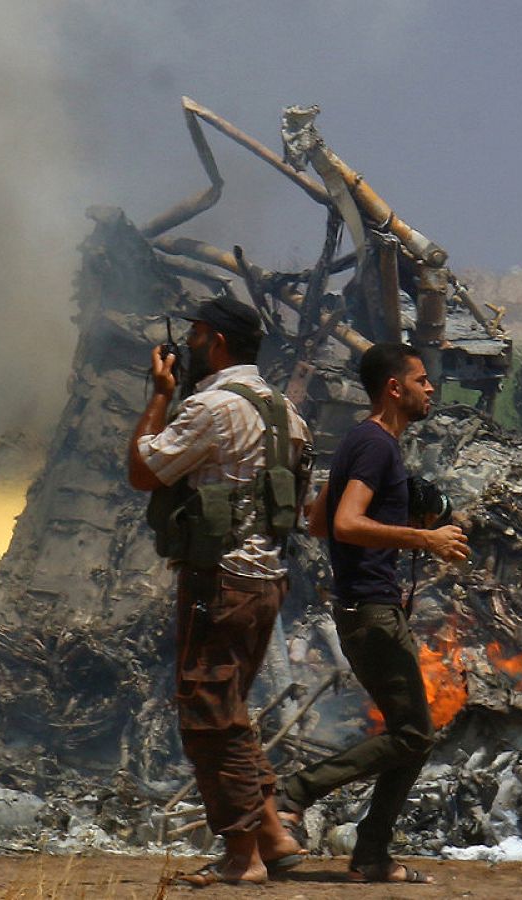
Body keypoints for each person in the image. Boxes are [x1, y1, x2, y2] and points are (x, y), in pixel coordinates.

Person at [127, 295, 312, 887]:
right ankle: (274, 838)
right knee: (228, 709)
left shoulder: (211, 409)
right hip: (266, 583)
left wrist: (160, 394)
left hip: (220, 581)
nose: (191, 343)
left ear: (222, 343)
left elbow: (144, 469)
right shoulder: (287, 412)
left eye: (199, 333)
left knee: (206, 714)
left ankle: (242, 856)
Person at [275, 342, 469, 885]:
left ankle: (372, 855)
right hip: (373, 612)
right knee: (412, 736)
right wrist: (423, 538)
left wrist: (396, 510)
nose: (431, 389)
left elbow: (316, 520)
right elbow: (345, 525)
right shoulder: (378, 447)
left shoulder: (360, 443)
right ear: (395, 387)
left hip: (364, 609)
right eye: (422, 380)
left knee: (414, 732)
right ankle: (297, 791)